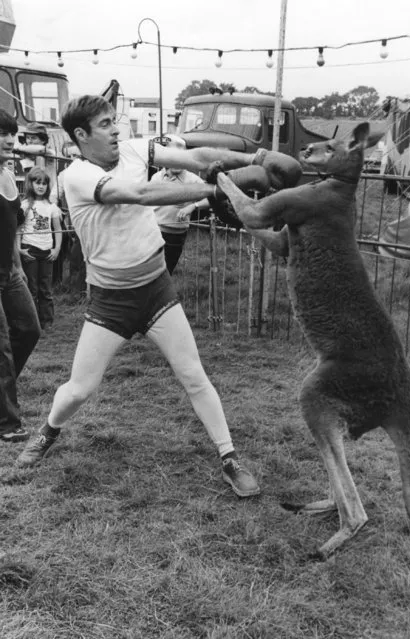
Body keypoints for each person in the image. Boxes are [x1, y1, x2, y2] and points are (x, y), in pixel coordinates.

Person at [17, 94, 294, 497]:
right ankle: (48, 431)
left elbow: (197, 157)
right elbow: (142, 195)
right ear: (81, 135)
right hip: (111, 301)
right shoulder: (75, 176)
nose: (116, 129)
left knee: (193, 374)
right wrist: (218, 192)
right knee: (80, 388)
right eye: (106, 124)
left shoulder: (133, 149)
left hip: (156, 288)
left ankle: (229, 457)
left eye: (115, 120)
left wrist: (257, 157)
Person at [0, 109, 41, 443]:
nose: (10, 139)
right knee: (0, 348)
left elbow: (12, 229)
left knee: (28, 329)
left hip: (9, 272)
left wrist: (17, 268)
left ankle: (4, 386)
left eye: (12, 133)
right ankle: (7, 424)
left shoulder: (8, 174)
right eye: (2, 133)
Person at [152, 135, 210, 274]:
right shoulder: (157, 177)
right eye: (174, 158)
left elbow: (212, 197)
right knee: (150, 273)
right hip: (152, 232)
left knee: (165, 272)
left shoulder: (192, 180)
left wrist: (193, 206)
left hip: (174, 236)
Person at [18, 167, 63, 331]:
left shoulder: (52, 207)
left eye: (44, 183)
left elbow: (58, 230)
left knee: (46, 289)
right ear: (31, 184)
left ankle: (47, 322)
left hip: (46, 251)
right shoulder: (24, 206)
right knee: (32, 288)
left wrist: (56, 249)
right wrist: (20, 250)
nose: (41, 186)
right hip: (30, 249)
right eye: (37, 183)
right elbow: (19, 229)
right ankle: (33, 323)